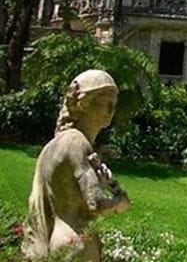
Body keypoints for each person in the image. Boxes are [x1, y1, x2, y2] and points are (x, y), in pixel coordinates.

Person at [23, 70, 131, 261]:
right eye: (103, 102)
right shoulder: (77, 143)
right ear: (82, 103)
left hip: (61, 237)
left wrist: (110, 184)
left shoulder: (59, 143)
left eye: (113, 104)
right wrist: (120, 201)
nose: (110, 110)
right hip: (77, 240)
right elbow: (95, 203)